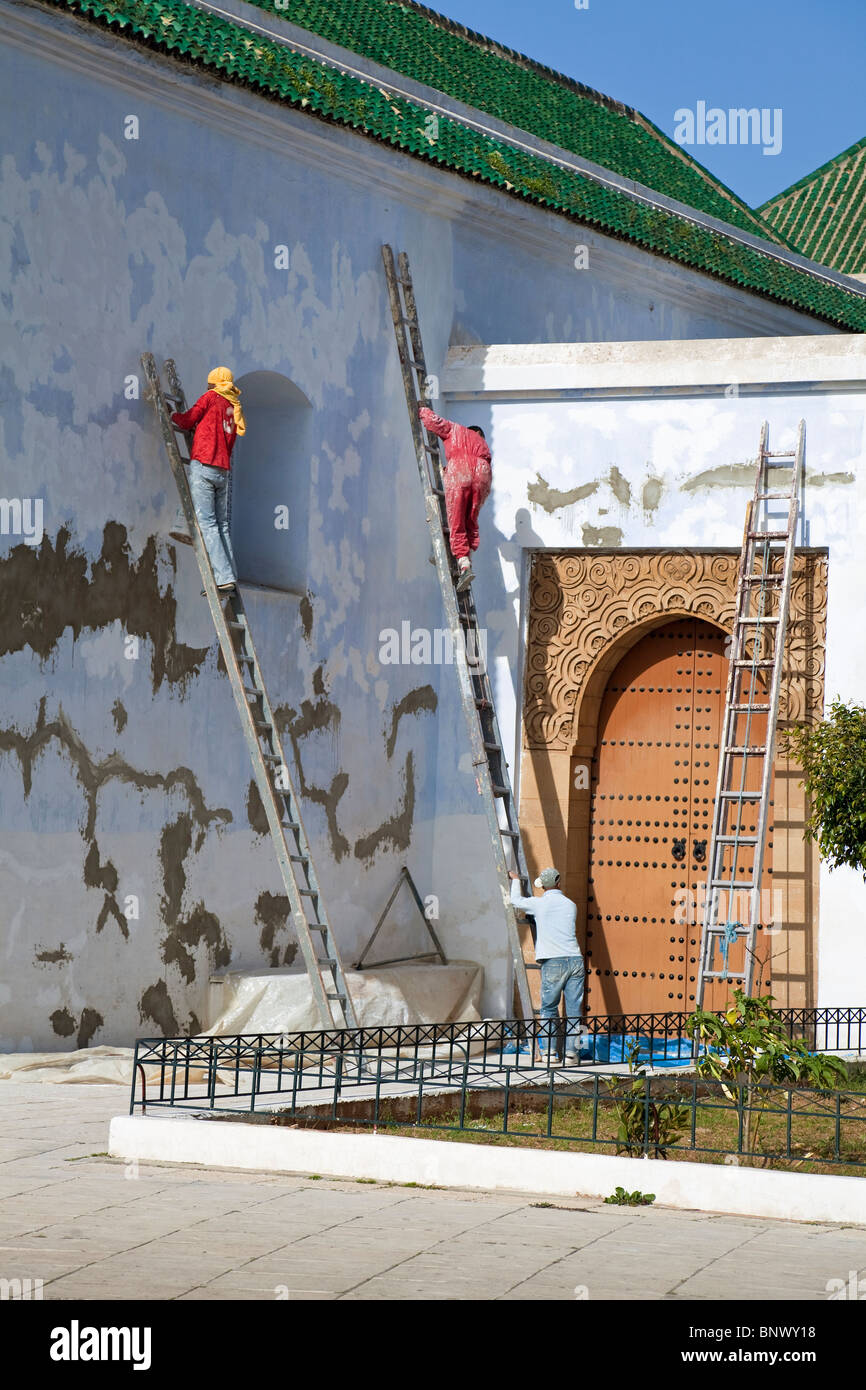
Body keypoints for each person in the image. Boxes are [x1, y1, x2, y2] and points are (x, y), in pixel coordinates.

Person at [170, 367, 246, 592]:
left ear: (214, 384)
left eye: (209, 383)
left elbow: (187, 421)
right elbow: (227, 442)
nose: (207, 387)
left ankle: (223, 578)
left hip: (204, 464)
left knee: (207, 523)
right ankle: (230, 575)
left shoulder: (211, 398)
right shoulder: (233, 407)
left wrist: (172, 414)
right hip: (223, 471)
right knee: (221, 524)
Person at [509, 867, 584, 1064]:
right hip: (575, 959)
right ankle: (571, 1054)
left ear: (543, 887)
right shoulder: (571, 905)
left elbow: (515, 901)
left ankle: (550, 1053)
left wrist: (516, 880)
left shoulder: (540, 904)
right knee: (574, 1009)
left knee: (549, 1008)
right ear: (559, 883)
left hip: (553, 961)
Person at [418, 405, 491, 593]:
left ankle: (463, 564)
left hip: (461, 471)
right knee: (470, 519)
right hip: (483, 474)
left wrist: (422, 410)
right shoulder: (483, 444)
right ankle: (464, 558)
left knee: (455, 519)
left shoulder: (458, 430)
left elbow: (434, 422)